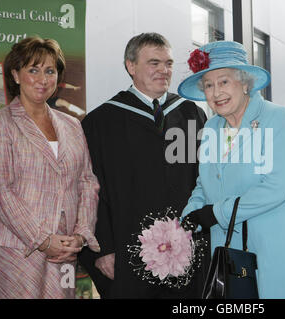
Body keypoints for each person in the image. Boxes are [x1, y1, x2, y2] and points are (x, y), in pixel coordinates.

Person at [178, 41, 285, 299]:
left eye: (224, 81)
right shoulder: (211, 129)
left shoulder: (277, 118)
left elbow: (277, 186)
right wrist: (189, 217)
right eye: (208, 85)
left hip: (274, 252)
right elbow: (203, 183)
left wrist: (216, 213)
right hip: (229, 256)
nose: (216, 92)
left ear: (245, 83)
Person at [78, 33, 208, 298]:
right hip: (128, 250)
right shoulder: (101, 122)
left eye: (168, 63)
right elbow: (90, 191)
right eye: (154, 63)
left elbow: (204, 179)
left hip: (187, 249)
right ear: (131, 66)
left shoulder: (190, 114)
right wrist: (103, 248)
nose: (164, 70)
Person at [0, 36, 100, 298]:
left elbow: (87, 181)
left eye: (50, 71)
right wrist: (42, 239)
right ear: (16, 75)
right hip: (18, 252)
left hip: (65, 250)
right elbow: (0, 190)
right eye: (33, 69)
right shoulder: (1, 123)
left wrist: (81, 234)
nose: (42, 79)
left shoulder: (72, 125)